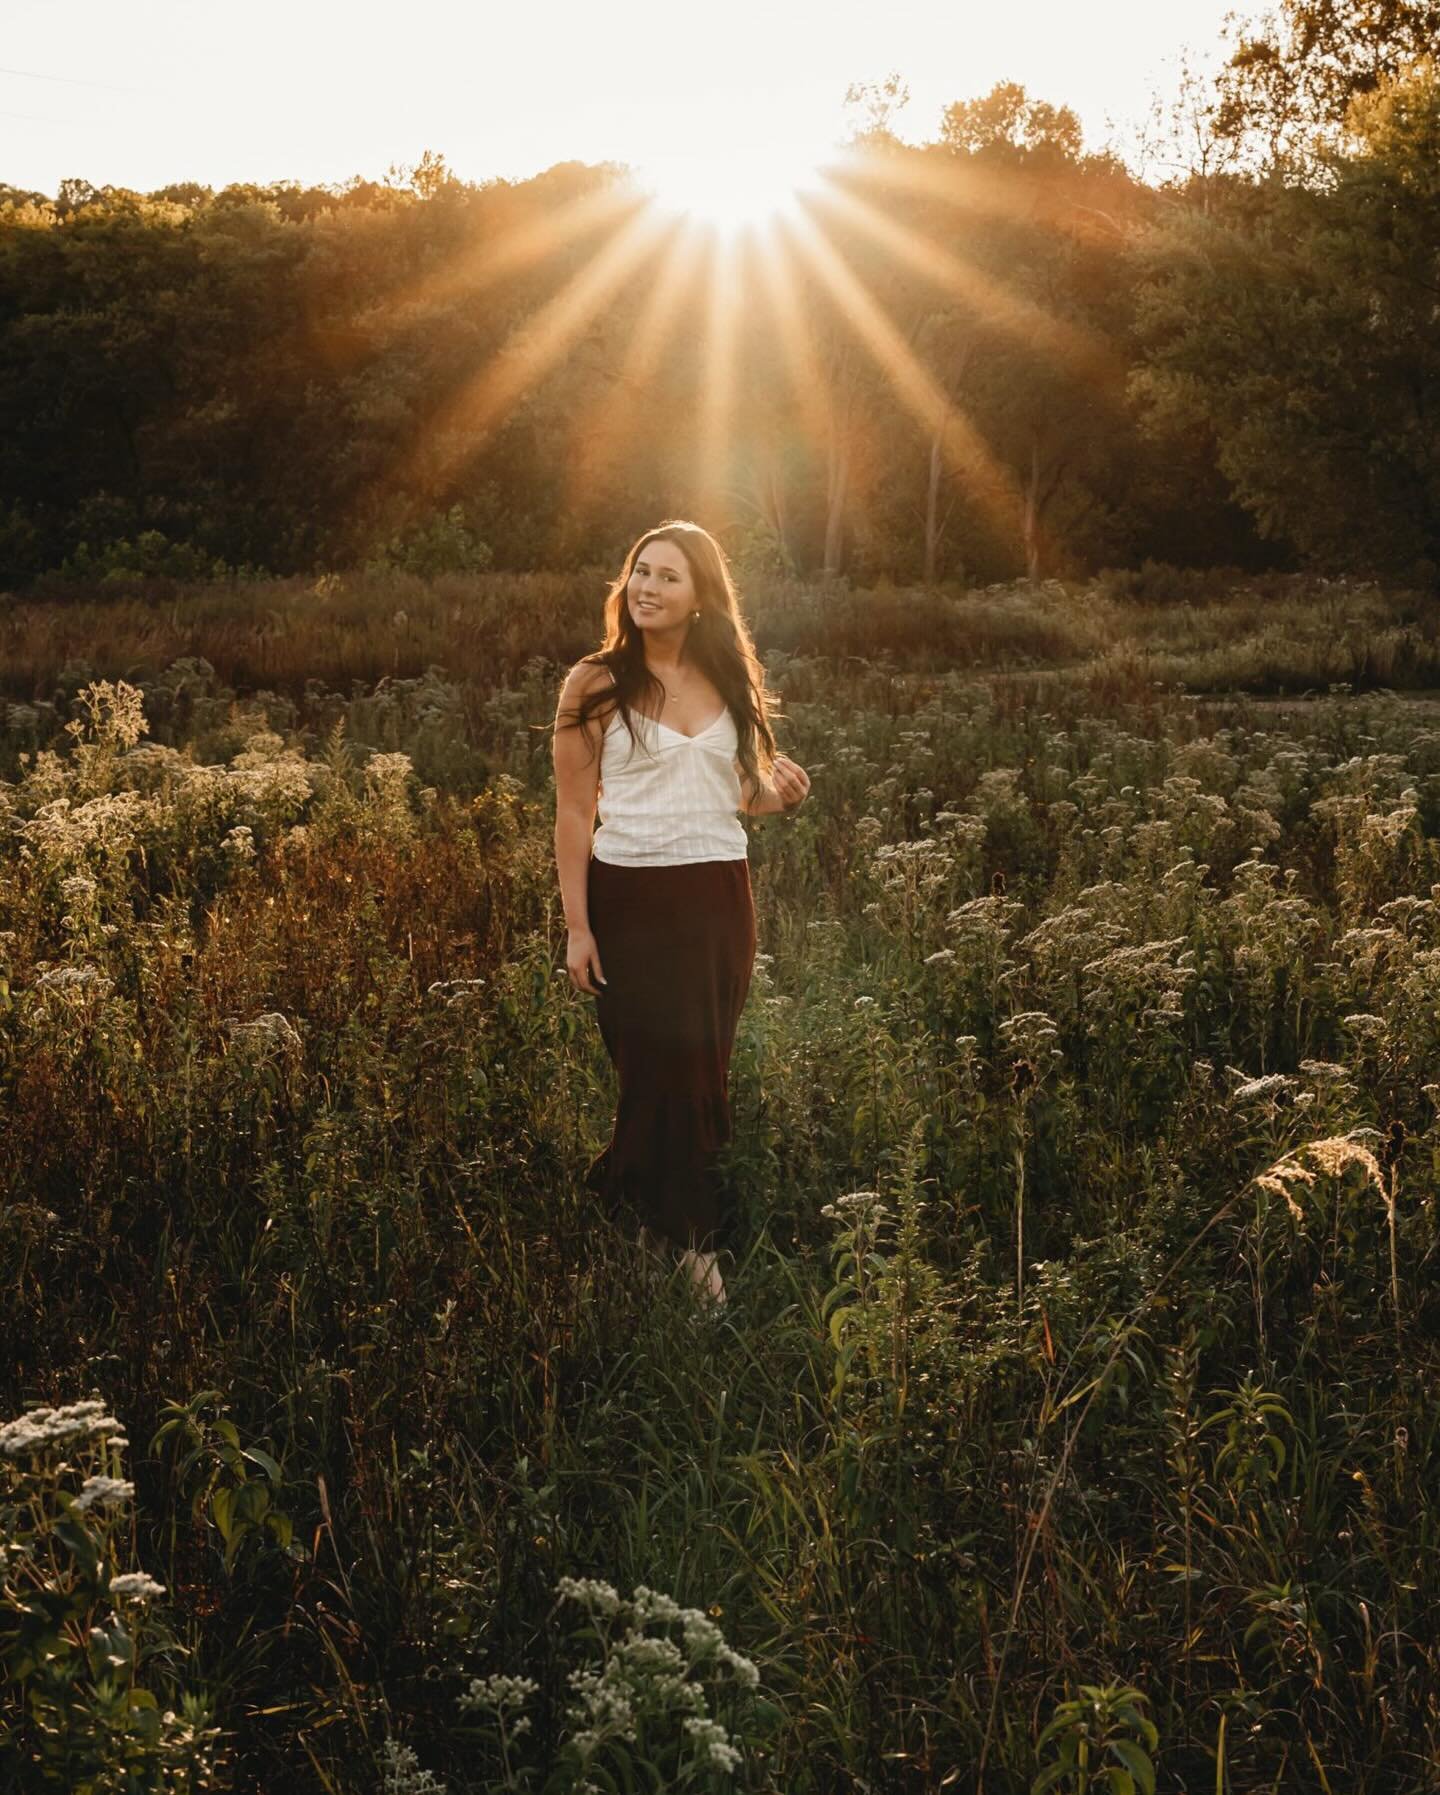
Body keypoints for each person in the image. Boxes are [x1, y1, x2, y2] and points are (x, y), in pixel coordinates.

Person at [552, 520, 811, 1310]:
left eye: (667, 575)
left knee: (696, 1076)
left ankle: (633, 1211)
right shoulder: (594, 683)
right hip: (631, 900)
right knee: (661, 1076)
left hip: (718, 903)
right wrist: (579, 926)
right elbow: (571, 811)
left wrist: (780, 796)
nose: (647, 587)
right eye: (639, 571)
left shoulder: (725, 675)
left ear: (701, 596)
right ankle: (699, 1257)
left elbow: (732, 794)